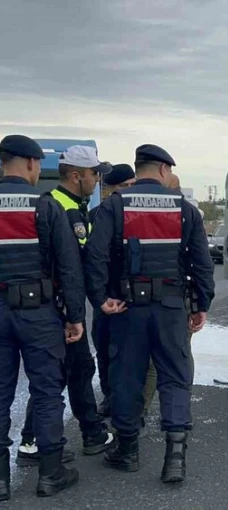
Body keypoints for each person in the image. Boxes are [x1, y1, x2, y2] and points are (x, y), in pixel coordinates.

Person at [84, 144, 214, 483]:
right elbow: (202, 263)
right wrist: (201, 305)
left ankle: (127, 451)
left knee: (127, 377)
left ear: (138, 168)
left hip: (127, 308)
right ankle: (175, 458)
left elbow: (95, 256)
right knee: (175, 377)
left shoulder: (115, 205)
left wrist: (100, 299)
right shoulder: (185, 209)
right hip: (171, 308)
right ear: (164, 170)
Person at [16, 146, 115, 467]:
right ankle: (35, 440)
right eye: (94, 174)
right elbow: (76, 265)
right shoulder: (62, 208)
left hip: (55, 303)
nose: (98, 180)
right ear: (76, 175)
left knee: (74, 369)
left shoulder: (73, 205)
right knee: (59, 373)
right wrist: (83, 308)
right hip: (56, 306)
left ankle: (87, 431)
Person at [0, 135, 83, 499]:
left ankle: (1, 481)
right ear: (33, 163)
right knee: (47, 391)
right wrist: (75, 316)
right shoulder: (45, 205)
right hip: (38, 312)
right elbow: (68, 266)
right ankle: (50, 473)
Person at [140, 173, 201, 434]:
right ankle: (177, 414)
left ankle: (141, 412)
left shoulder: (151, 214)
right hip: (180, 299)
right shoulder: (189, 214)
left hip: (153, 299)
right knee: (180, 356)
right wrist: (201, 303)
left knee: (153, 362)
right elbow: (201, 263)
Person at [90, 163, 137, 417]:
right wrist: (99, 296)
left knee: (130, 353)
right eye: (124, 186)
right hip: (106, 295)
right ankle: (109, 396)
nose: (129, 190)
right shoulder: (96, 215)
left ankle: (128, 403)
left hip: (132, 295)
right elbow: (91, 258)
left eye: (132, 185)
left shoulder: (139, 214)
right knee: (104, 349)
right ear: (109, 189)